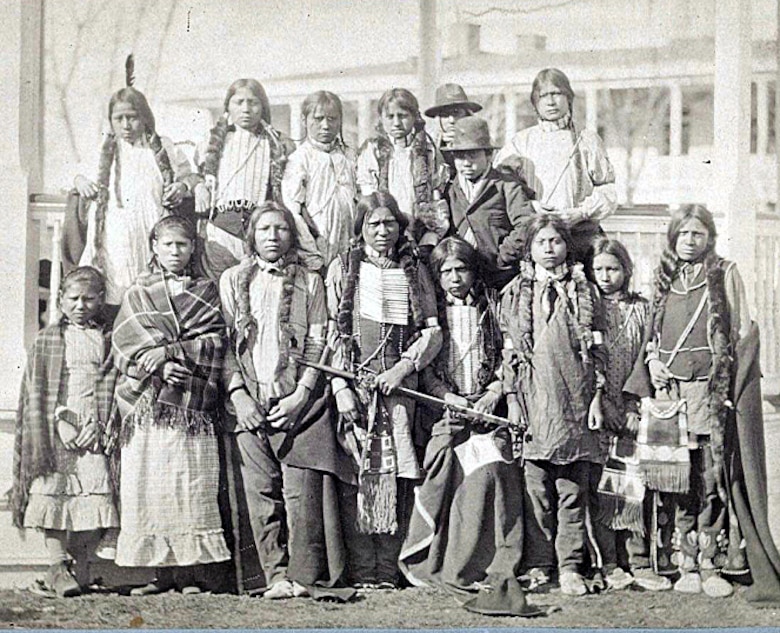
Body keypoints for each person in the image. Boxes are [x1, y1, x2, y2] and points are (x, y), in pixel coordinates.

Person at [220, 201, 353, 599]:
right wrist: (239, 394)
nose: (273, 237)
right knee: (259, 494)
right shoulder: (232, 279)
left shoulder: (310, 281)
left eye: (280, 229)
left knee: (300, 494)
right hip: (247, 400)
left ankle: (301, 575)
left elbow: (318, 341)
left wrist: (301, 393)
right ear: (252, 236)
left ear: (291, 236)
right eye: (264, 230)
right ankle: (272, 576)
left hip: (296, 401)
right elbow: (225, 344)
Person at [623, 205, 756, 598]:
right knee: (675, 476)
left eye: (698, 233)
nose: (690, 240)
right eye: (683, 234)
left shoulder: (726, 275)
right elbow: (651, 334)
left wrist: (729, 382)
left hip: (707, 393)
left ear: (709, 237)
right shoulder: (663, 279)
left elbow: (742, 331)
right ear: (673, 237)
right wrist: (653, 362)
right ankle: (684, 560)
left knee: (709, 476)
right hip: (669, 393)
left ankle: (711, 560)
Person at [326, 192, 442, 589]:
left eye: (389, 223)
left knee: (397, 475)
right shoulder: (343, 268)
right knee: (360, 474)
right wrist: (341, 388)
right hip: (356, 390)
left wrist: (403, 368)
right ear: (361, 228)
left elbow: (431, 332)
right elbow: (334, 333)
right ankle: (362, 570)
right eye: (373, 224)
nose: (382, 231)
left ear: (400, 226)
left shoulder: (415, 271)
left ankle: (388, 570)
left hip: (399, 390)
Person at [112, 216, 231, 595]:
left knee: (188, 481)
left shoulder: (207, 290)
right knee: (150, 483)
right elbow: (124, 342)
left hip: (190, 405)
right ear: (154, 247)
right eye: (167, 245)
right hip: (149, 404)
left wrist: (171, 353)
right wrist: (160, 364)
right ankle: (157, 575)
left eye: (182, 245)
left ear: (193, 247)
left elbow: (215, 341)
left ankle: (189, 573)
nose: (175, 252)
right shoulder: (138, 291)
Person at [399, 237, 523, 594]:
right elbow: (426, 373)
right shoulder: (430, 319)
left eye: (461, 268)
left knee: (492, 473)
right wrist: (449, 398)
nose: (455, 278)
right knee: (439, 469)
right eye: (446, 271)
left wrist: (493, 394)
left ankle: (487, 563)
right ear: (436, 277)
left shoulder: (493, 309)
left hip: (488, 415)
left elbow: (506, 360)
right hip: (446, 413)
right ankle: (432, 560)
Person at [500, 214, 605, 597]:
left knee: (572, 491)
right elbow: (509, 353)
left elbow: (599, 351)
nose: (549, 248)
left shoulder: (585, 293)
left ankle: (571, 565)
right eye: (541, 241)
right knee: (536, 492)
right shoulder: (514, 294)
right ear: (529, 249)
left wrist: (595, 396)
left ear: (567, 247)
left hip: (575, 401)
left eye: (556, 241)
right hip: (533, 402)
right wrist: (512, 399)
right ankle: (541, 563)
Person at [11, 266, 120, 598]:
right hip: (57, 425)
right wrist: (59, 422)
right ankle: (58, 565)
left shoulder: (109, 339)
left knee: (96, 491)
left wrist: (100, 425)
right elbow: (36, 390)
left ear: (101, 300)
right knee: (54, 491)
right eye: (73, 299)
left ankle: (80, 564)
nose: (80, 305)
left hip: (95, 424)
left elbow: (114, 385)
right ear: (60, 300)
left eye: (89, 299)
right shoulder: (48, 339)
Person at [74, 57, 194, 316]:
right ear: (111, 121)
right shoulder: (105, 149)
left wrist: (182, 187)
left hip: (151, 226)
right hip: (115, 233)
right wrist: (81, 182)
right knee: (117, 286)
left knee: (150, 290)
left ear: (145, 118)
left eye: (132, 117)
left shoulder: (163, 147)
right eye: (119, 119)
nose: (126, 125)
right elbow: (78, 176)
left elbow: (190, 177)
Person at [587, 237, 671, 591]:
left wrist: (635, 403)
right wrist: (602, 402)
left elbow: (645, 357)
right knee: (605, 488)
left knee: (633, 486)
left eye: (613, 269)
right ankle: (608, 563)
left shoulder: (643, 309)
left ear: (627, 270)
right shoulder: (587, 308)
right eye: (599, 270)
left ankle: (639, 562)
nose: (606, 276)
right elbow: (589, 359)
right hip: (599, 410)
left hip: (632, 407)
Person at [194, 79, 316, 277]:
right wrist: (199, 186)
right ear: (228, 107)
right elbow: (197, 176)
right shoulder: (212, 142)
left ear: (263, 107)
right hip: (219, 231)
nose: (246, 109)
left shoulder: (278, 143)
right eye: (239, 102)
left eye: (253, 102)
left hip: (261, 234)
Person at [494, 68, 616, 266]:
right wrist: (530, 206)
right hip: (539, 240)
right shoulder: (520, 142)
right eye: (543, 96)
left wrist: (581, 213)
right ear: (535, 103)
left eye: (557, 94)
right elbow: (503, 186)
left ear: (568, 98)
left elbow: (608, 188)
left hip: (580, 237)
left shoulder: (587, 140)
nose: (551, 102)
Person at [440, 116, 533, 288]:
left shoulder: (506, 185)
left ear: (489, 155)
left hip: (502, 277)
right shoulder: (451, 189)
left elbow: (526, 224)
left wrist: (503, 256)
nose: (467, 163)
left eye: (473, 155)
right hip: (464, 280)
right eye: (460, 156)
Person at [356, 88, 449, 246]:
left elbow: (436, 197)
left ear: (414, 117)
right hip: (385, 232)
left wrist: (432, 233)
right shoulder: (372, 151)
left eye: (403, 116)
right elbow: (371, 202)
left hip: (421, 230)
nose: (397, 123)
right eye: (390, 117)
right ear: (381, 119)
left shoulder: (428, 150)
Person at [282, 90, 357, 268]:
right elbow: (294, 211)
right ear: (304, 120)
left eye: (332, 119)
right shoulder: (299, 159)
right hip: (318, 243)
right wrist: (312, 251)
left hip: (349, 241)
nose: (325, 125)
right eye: (318, 119)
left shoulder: (349, 156)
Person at [424, 83, 482, 151]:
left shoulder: (484, 142)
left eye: (456, 113)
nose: (451, 120)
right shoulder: (428, 147)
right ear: (439, 120)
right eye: (445, 115)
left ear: (467, 115)